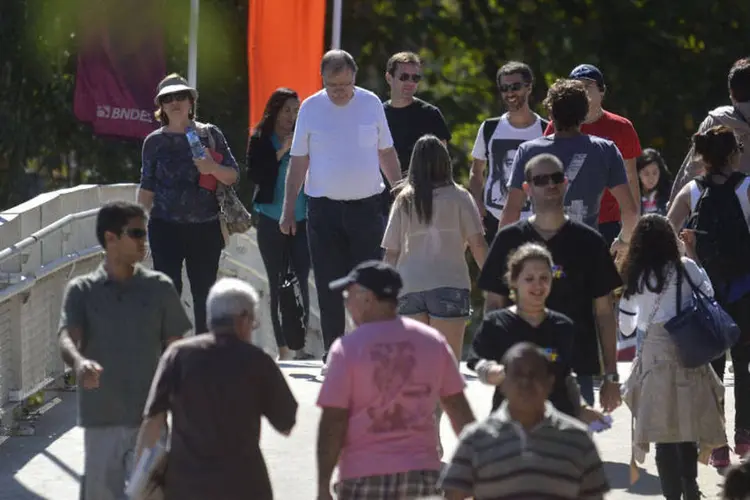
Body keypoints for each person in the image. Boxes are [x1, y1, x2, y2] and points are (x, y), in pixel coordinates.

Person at [57, 201, 192, 500]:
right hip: (102, 419)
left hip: (152, 417)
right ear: (110, 238)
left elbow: (177, 349)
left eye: (145, 233)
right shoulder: (82, 290)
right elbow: (67, 336)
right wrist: (79, 363)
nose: (144, 241)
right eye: (136, 234)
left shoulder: (160, 288)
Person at [280, 50, 401, 367]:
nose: (339, 92)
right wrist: (288, 209)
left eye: (345, 85)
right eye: (333, 86)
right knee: (328, 282)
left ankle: (372, 348)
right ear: (322, 81)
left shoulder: (371, 103)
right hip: (323, 209)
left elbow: (385, 152)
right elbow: (298, 162)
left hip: (366, 208)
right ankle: (335, 352)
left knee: (370, 283)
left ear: (354, 78)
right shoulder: (311, 107)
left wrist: (400, 190)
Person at [316, 261, 476, 500]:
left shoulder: (347, 348)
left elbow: (333, 421)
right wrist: (475, 470)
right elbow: (459, 411)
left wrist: (322, 486)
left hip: (362, 478)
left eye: (349, 295)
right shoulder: (432, 341)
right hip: (421, 477)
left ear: (368, 298)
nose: (347, 303)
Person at [478, 153, 623, 410]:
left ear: (565, 183)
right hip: (517, 370)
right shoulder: (509, 240)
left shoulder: (589, 242)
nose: (550, 185)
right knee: (517, 449)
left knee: (568, 449)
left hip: (576, 372)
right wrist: (493, 362)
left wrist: (611, 375)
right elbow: (493, 304)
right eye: (541, 180)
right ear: (527, 188)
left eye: (556, 178)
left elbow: (604, 312)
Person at [135, 278, 298, 500]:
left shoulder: (178, 355)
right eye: (252, 322)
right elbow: (286, 424)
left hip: (185, 487)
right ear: (242, 318)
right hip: (245, 486)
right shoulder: (257, 361)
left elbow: (152, 424)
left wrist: (138, 482)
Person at [619, 214, 725, 499]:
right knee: (687, 427)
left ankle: (671, 495)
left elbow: (626, 327)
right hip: (688, 352)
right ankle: (690, 485)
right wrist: (689, 251)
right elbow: (710, 294)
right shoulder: (687, 268)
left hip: (654, 360)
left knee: (662, 433)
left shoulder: (636, 275)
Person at [668, 125, 750, 470]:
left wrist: (688, 253)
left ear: (701, 156)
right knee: (744, 365)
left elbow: (665, 230)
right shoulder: (747, 186)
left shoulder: (692, 189)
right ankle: (744, 435)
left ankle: (716, 444)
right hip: (745, 287)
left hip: (706, 290)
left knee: (713, 367)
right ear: (736, 153)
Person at [439, 342, 610, 500]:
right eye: (517, 374)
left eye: (534, 375)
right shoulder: (476, 439)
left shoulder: (578, 440)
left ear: (550, 383)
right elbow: (453, 494)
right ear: (503, 384)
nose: (525, 382)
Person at [138, 73, 240, 333]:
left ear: (191, 102)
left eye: (181, 96)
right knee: (168, 295)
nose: (175, 102)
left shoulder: (209, 134)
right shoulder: (154, 142)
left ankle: (204, 358)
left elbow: (233, 175)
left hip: (205, 228)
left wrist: (212, 167)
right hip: (164, 228)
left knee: (205, 296)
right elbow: (147, 187)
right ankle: (171, 357)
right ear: (160, 105)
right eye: (168, 98)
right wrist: (137, 229)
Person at [469, 242, 606, 425]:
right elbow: (478, 361)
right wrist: (491, 372)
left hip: (557, 425)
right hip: (510, 426)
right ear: (514, 281)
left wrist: (583, 408)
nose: (538, 285)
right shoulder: (496, 323)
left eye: (544, 278)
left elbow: (566, 377)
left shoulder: (563, 326)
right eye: (529, 279)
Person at [498, 78, 638, 256]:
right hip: (588, 256)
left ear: (550, 113)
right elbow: (630, 212)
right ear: (585, 112)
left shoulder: (528, 151)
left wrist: (505, 256)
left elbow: (511, 211)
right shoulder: (606, 150)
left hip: (544, 261)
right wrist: (623, 241)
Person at [382, 134, 487, 362]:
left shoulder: (404, 200)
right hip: (450, 285)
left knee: (415, 367)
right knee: (446, 369)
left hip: (409, 286)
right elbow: (478, 243)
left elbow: (391, 252)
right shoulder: (460, 197)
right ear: (445, 161)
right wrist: (494, 283)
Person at [246, 87, 313, 360]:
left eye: (296, 111)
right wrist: (282, 150)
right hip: (271, 217)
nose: (292, 116)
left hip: (303, 219)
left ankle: (300, 347)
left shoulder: (307, 138)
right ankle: (283, 349)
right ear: (274, 110)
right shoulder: (261, 139)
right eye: (287, 110)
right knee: (276, 283)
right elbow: (255, 175)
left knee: (301, 281)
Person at [545, 64, 642, 245]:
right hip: (566, 221)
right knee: (561, 274)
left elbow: (631, 177)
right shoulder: (555, 125)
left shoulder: (622, 128)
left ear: (602, 90)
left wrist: (631, 229)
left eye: (587, 86)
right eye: (577, 87)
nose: (582, 92)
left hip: (609, 223)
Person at [469, 61, 549, 244]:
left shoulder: (546, 130)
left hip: (536, 223)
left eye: (515, 86)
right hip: (492, 221)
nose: (510, 93)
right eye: (504, 88)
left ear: (528, 88)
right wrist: (477, 205)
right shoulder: (489, 127)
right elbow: (476, 171)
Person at [671, 57, 750, 201]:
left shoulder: (716, 121)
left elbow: (691, 171)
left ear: (731, 93)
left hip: (719, 211)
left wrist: (673, 210)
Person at [383, 51, 451, 175]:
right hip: (382, 190)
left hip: (421, 190)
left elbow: (442, 162)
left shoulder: (431, 114)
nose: (410, 82)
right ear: (389, 78)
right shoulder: (378, 114)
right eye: (404, 77)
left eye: (415, 78)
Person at [637, 148, 672, 215]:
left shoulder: (669, 195)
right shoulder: (631, 197)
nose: (651, 178)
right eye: (646, 174)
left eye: (655, 173)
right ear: (638, 173)